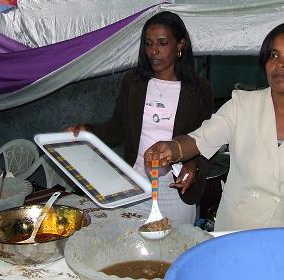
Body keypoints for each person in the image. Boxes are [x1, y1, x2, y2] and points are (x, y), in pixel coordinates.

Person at [144, 22, 284, 231]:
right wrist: (172, 148)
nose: (280, 64)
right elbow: (199, 139)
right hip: (236, 229)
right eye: (273, 55)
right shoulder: (241, 105)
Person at [65, 11, 214, 225]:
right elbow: (117, 127)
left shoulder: (199, 89)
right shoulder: (133, 83)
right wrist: (88, 130)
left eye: (163, 43)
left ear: (180, 45)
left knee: (173, 250)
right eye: (148, 43)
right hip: (135, 180)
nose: (154, 51)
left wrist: (192, 165)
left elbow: (207, 139)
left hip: (175, 186)